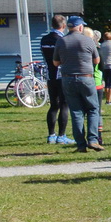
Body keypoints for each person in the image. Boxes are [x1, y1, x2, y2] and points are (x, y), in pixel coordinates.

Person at [56, 15, 104, 152]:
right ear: (80, 27)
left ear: (69, 27)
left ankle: (81, 145)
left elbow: (55, 62)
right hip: (86, 78)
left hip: (68, 78)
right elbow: (97, 61)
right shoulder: (88, 41)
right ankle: (93, 140)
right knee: (93, 109)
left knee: (76, 111)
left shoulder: (61, 41)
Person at [40, 13, 70, 145]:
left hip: (50, 76)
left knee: (53, 105)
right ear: (63, 25)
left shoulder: (44, 39)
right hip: (61, 75)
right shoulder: (63, 40)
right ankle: (61, 135)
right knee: (64, 105)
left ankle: (51, 135)